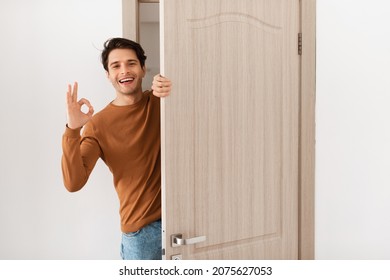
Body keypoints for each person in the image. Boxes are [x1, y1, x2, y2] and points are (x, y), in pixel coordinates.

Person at [61, 37, 171, 260]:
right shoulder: (98, 125)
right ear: (108, 75)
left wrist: (170, 82)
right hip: (141, 234)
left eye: (131, 63)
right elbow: (74, 183)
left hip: (183, 221)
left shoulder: (162, 101)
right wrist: (73, 129)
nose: (124, 70)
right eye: (116, 66)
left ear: (142, 69)